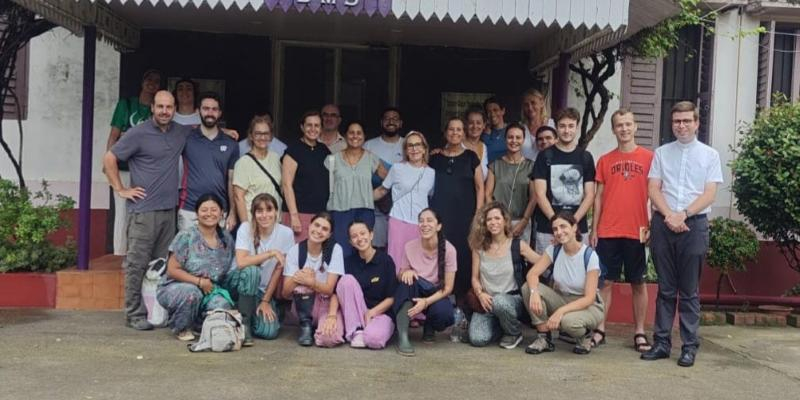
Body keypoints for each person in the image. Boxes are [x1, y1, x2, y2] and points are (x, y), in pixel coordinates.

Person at [641, 101, 722, 368]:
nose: (682, 125)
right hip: (664, 225)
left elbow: (709, 192)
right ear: (671, 123)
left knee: (689, 291)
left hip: (694, 225)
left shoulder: (710, 155)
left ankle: (689, 347)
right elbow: (653, 188)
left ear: (697, 123)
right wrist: (669, 216)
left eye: (687, 120)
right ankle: (661, 343)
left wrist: (683, 214)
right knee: (665, 289)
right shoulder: (662, 153)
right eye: (677, 121)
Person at [103, 90, 187, 331]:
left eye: (169, 107)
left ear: (174, 109)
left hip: (168, 212)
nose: (164, 111)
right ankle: (134, 313)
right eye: (160, 106)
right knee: (137, 264)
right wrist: (120, 188)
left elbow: (201, 133)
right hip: (143, 212)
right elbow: (109, 158)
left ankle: (156, 311)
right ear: (152, 107)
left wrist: (227, 133)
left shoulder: (179, 132)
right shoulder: (138, 133)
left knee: (161, 266)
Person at [589, 109, 654, 352]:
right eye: (619, 125)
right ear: (613, 129)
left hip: (637, 230)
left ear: (635, 127)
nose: (624, 129)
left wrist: (652, 226)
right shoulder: (605, 160)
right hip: (608, 230)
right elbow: (598, 198)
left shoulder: (649, 158)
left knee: (638, 282)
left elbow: (655, 194)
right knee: (605, 282)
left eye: (628, 124)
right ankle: (600, 329)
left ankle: (639, 331)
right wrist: (594, 229)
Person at [522, 212, 604, 355]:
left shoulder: (589, 255)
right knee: (527, 288)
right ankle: (544, 338)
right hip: (562, 299)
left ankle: (584, 337)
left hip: (588, 306)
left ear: (574, 228)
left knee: (568, 322)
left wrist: (560, 312)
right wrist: (534, 293)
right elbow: (532, 274)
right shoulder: (554, 250)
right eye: (555, 229)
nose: (559, 232)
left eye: (563, 227)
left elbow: (589, 298)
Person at [156, 194, 235, 341]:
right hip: (179, 286)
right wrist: (199, 282)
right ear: (197, 213)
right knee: (192, 294)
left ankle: (200, 323)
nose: (209, 214)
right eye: (204, 210)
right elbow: (172, 270)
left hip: (210, 289)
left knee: (222, 305)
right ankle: (181, 327)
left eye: (214, 210)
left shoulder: (226, 238)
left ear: (221, 213)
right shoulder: (186, 236)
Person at [468, 202, 540, 349]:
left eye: (497, 218)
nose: (493, 222)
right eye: (489, 219)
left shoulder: (517, 245)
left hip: (511, 299)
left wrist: (558, 248)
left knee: (500, 302)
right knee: (477, 339)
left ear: (505, 221)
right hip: (487, 301)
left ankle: (514, 333)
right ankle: (501, 326)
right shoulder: (479, 247)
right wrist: (480, 294)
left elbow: (542, 262)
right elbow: (475, 278)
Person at [106, 68, 161, 256]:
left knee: (143, 214)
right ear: (142, 82)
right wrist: (108, 163)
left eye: (156, 81)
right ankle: (120, 254)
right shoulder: (127, 105)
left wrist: (128, 135)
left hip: (146, 170)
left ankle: (139, 254)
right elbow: (114, 135)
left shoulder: (158, 111)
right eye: (149, 79)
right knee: (122, 212)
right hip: (123, 167)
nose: (152, 84)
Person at [429, 117, 484, 301]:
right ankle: (441, 295)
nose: (455, 133)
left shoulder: (471, 157)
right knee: (441, 252)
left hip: (465, 216)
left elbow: (480, 187)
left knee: (464, 253)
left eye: (459, 130)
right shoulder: (434, 158)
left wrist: (478, 214)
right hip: (440, 215)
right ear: (445, 132)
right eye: (451, 129)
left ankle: (462, 299)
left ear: (463, 133)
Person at [531, 108, 596, 255]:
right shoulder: (544, 156)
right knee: (546, 273)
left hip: (577, 228)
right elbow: (540, 194)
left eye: (571, 126)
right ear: (557, 128)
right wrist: (556, 223)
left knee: (577, 272)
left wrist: (572, 222)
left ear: (577, 127)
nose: (567, 131)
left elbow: (590, 195)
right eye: (562, 126)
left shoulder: (585, 157)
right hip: (548, 228)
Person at [393, 208, 457, 356]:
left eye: (429, 220)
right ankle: (403, 336)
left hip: (435, 293)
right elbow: (400, 275)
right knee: (407, 283)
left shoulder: (449, 250)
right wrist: (405, 272)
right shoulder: (409, 246)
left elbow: (448, 288)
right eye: (421, 221)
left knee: (445, 314)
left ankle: (430, 326)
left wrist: (426, 302)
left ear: (438, 226)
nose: (424, 224)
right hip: (415, 289)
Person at [232, 193, 294, 344]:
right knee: (252, 271)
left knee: (269, 332)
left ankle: (250, 314)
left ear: (276, 212)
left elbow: (278, 269)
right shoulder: (245, 228)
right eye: (259, 211)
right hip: (238, 283)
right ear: (253, 214)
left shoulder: (286, 233)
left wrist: (266, 300)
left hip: (261, 291)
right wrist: (270, 253)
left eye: (269, 210)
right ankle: (244, 325)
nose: (264, 215)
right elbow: (241, 262)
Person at [281, 212, 346, 347]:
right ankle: (306, 327)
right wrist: (301, 277)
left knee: (328, 339)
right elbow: (285, 292)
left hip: (327, 305)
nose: (319, 231)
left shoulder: (335, 250)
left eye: (325, 229)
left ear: (329, 234)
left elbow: (329, 289)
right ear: (309, 225)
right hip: (304, 305)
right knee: (301, 287)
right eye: (316, 225)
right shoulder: (296, 250)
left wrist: (312, 282)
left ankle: (323, 327)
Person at [373, 131, 435, 269]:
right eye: (410, 145)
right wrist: (361, 200)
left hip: (420, 224)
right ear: (405, 150)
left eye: (418, 145)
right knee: (396, 260)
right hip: (398, 220)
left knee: (418, 262)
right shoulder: (397, 168)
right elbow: (382, 190)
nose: (414, 149)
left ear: (424, 148)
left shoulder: (431, 173)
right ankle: (394, 289)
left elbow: (429, 196)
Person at [325, 121, 388, 258]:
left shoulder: (371, 158)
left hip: (364, 211)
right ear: (345, 135)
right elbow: (323, 186)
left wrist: (372, 195)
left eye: (359, 133)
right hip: (339, 211)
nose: (355, 136)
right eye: (351, 132)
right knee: (341, 252)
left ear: (364, 136)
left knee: (363, 251)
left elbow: (389, 179)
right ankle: (342, 280)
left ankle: (360, 280)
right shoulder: (332, 159)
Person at [178, 92, 239, 232]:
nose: (210, 113)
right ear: (198, 111)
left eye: (214, 109)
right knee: (188, 253)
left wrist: (232, 213)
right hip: (189, 209)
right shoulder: (186, 136)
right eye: (206, 108)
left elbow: (232, 181)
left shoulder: (230, 143)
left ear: (220, 113)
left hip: (219, 210)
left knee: (217, 254)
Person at [336, 221, 398, 349]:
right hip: (354, 315)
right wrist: (332, 315)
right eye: (354, 236)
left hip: (380, 313)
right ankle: (357, 330)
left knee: (374, 340)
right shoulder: (348, 262)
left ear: (371, 235)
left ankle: (367, 332)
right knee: (346, 280)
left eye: (363, 233)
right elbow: (338, 292)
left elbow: (392, 297)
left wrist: (371, 313)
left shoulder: (386, 261)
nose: (359, 238)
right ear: (350, 242)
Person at [282, 110, 331, 241]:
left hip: (320, 214)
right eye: (309, 125)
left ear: (321, 128)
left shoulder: (324, 150)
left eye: (317, 125)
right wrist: (294, 216)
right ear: (302, 127)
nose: (313, 129)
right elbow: (286, 185)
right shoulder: (293, 150)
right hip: (298, 213)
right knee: (297, 255)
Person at [485, 122, 536, 244]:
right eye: (510, 137)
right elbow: (488, 194)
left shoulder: (531, 166)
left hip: (521, 221)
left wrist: (524, 221)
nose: (514, 141)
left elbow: (534, 197)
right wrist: (497, 219)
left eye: (518, 137)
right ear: (505, 139)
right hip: (498, 222)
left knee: (520, 259)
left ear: (523, 140)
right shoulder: (495, 165)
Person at [364, 107, 405, 248]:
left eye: (395, 119)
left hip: (401, 209)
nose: (391, 121)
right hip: (376, 209)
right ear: (382, 122)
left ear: (400, 123)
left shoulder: (408, 145)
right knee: (376, 248)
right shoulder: (369, 145)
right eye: (387, 118)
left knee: (398, 249)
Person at [233, 115, 284, 223]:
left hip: (275, 223)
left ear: (271, 136)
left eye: (266, 133)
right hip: (254, 223)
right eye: (258, 134)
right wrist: (245, 227)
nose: (262, 137)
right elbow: (239, 197)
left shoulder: (276, 158)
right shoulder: (243, 163)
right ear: (251, 136)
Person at [520, 89, 555, 161]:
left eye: (533, 103)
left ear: (541, 103)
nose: (530, 107)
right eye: (526, 104)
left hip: (549, 169)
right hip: (526, 171)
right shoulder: (520, 128)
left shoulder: (553, 125)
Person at [482, 97, 509, 164]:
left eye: (495, 110)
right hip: (488, 172)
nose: (492, 114)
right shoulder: (483, 133)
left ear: (503, 111)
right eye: (489, 111)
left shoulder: (511, 130)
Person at [464, 108, 489, 179]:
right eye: (471, 123)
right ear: (466, 124)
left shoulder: (484, 147)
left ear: (484, 125)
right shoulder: (457, 145)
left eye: (478, 123)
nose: (475, 126)